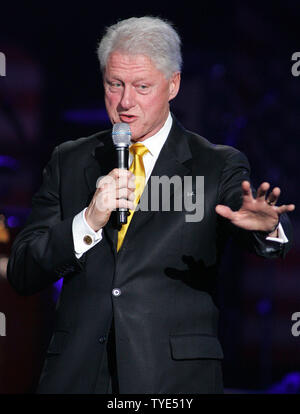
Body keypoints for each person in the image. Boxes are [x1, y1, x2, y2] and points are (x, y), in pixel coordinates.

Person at [7, 16, 294, 394]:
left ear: (173, 84)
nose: (126, 102)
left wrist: (267, 229)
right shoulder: (70, 160)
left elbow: (248, 223)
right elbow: (24, 272)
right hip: (78, 376)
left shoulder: (216, 164)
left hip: (171, 379)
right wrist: (88, 221)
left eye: (142, 86)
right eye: (115, 85)